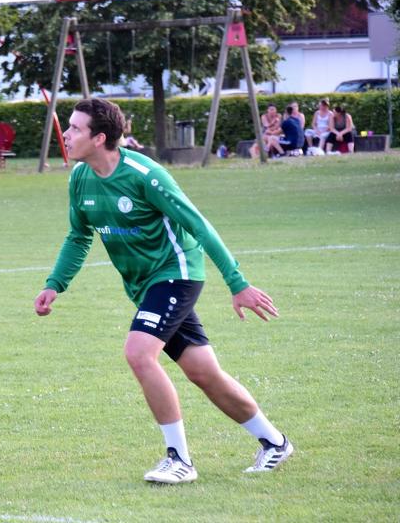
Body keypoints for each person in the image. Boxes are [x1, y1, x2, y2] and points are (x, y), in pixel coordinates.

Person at [34, 98, 293, 485]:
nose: (66, 134)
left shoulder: (145, 175)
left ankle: (179, 459)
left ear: (100, 137)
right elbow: (79, 234)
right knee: (203, 373)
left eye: (75, 128)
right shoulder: (79, 178)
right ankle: (274, 442)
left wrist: (237, 283)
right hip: (143, 285)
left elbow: (199, 226)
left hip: (177, 273)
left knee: (138, 354)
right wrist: (55, 284)